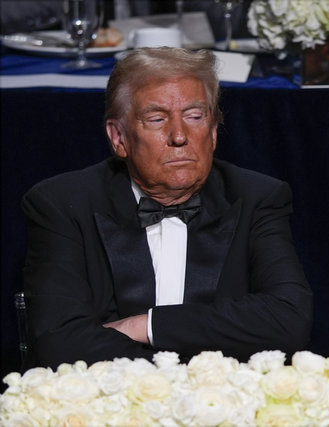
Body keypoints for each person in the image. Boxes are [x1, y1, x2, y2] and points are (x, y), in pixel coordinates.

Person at [22, 47, 313, 368]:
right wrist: (169, 385)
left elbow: (289, 319)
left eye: (195, 116)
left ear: (214, 133)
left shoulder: (258, 197)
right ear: (118, 137)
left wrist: (145, 325)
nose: (179, 136)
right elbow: (59, 341)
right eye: (157, 118)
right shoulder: (63, 203)